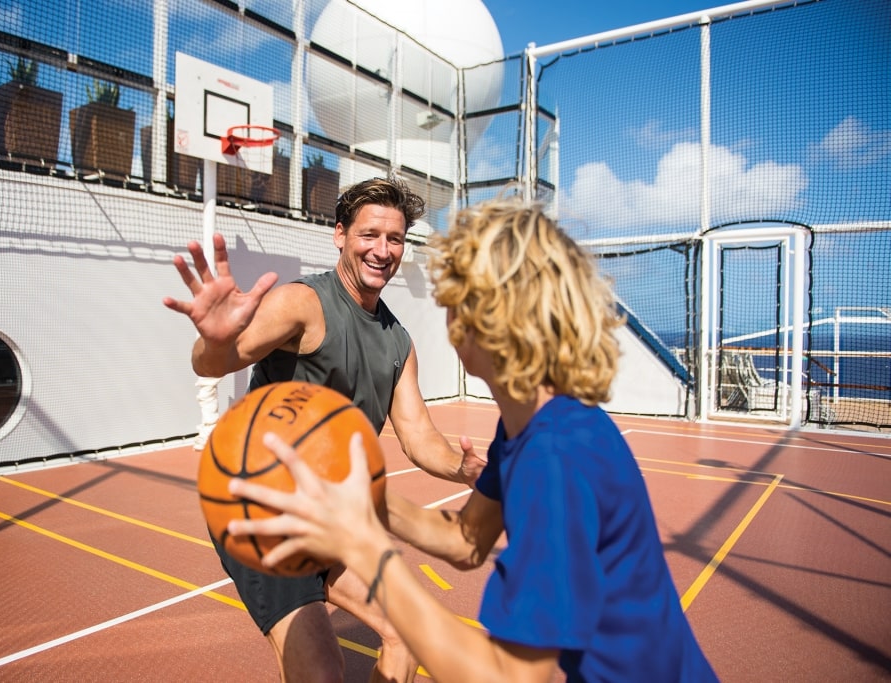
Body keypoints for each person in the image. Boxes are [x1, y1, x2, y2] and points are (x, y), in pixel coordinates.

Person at [226, 196, 720, 682]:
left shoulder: (556, 462)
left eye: (456, 299)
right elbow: (466, 541)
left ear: (488, 318)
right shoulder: (533, 425)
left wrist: (372, 554)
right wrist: (363, 501)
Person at [163, 176, 485, 683]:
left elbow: (418, 435)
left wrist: (463, 468)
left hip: (327, 514)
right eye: (369, 235)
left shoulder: (397, 341)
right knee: (322, 670)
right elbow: (218, 361)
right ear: (340, 235)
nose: (382, 250)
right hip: (260, 509)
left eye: (395, 239)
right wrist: (216, 342)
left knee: (407, 633)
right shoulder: (303, 304)